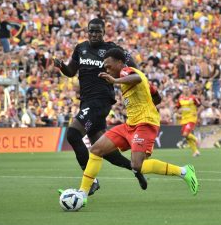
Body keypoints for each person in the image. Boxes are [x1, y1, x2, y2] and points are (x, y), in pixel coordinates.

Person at [77, 48, 199, 207]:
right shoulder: (134, 77)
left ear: (119, 63)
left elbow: (136, 78)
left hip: (145, 124)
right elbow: (156, 95)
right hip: (130, 125)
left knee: (137, 165)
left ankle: (184, 171)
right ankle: (82, 194)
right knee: (96, 149)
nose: (107, 70)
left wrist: (115, 82)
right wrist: (149, 102)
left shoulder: (126, 72)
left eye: (108, 66)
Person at [53, 18, 147, 195]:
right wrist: (61, 66)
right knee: (107, 152)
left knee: (73, 134)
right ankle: (136, 170)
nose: (94, 34)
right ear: (87, 32)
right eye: (91, 31)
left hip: (101, 101)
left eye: (98, 31)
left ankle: (91, 181)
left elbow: (132, 65)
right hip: (87, 101)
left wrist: (127, 75)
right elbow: (71, 72)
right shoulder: (80, 49)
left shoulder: (111, 50)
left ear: (104, 32)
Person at [175, 85, 201, 157]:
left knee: (185, 134)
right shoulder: (180, 98)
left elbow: (200, 106)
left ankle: (196, 139)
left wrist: (197, 113)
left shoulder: (193, 98)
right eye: (184, 88)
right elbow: (177, 108)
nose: (185, 90)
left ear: (189, 90)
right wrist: (177, 113)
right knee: (186, 136)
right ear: (183, 90)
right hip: (184, 119)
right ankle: (195, 151)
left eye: (187, 88)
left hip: (191, 118)